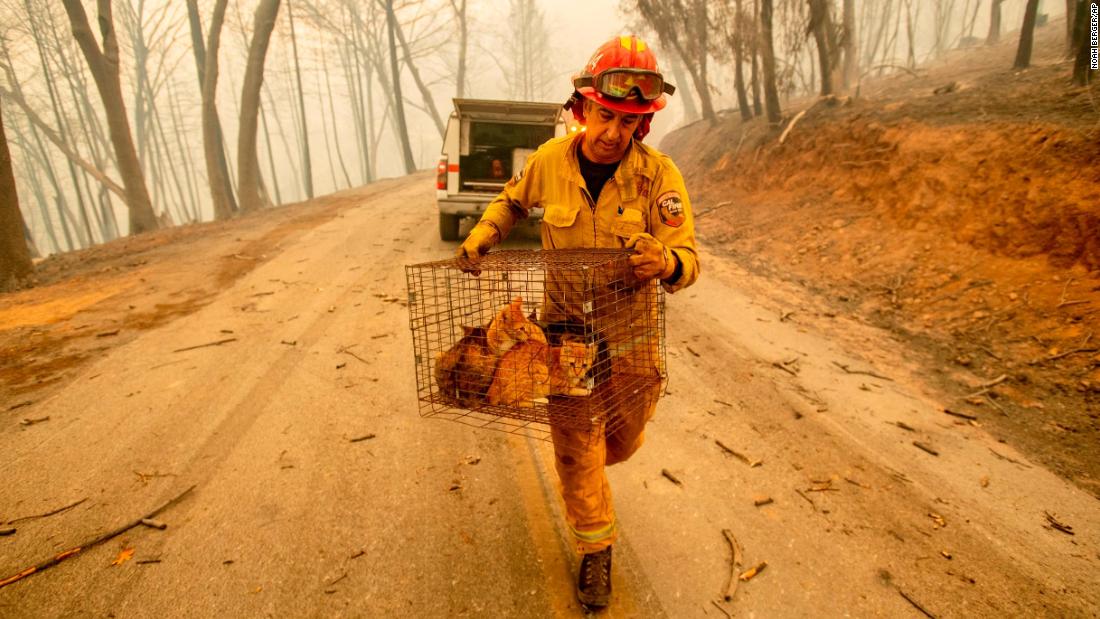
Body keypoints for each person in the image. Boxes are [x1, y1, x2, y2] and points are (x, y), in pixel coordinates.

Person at [456, 35, 699, 609]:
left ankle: (591, 462)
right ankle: (597, 550)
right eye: (605, 115)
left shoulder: (658, 178)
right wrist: (485, 233)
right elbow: (511, 201)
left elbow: (689, 260)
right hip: (563, 336)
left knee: (624, 441)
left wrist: (664, 261)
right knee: (577, 446)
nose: (613, 132)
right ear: (584, 108)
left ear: (642, 125)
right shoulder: (549, 162)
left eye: (628, 121)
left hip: (633, 341)